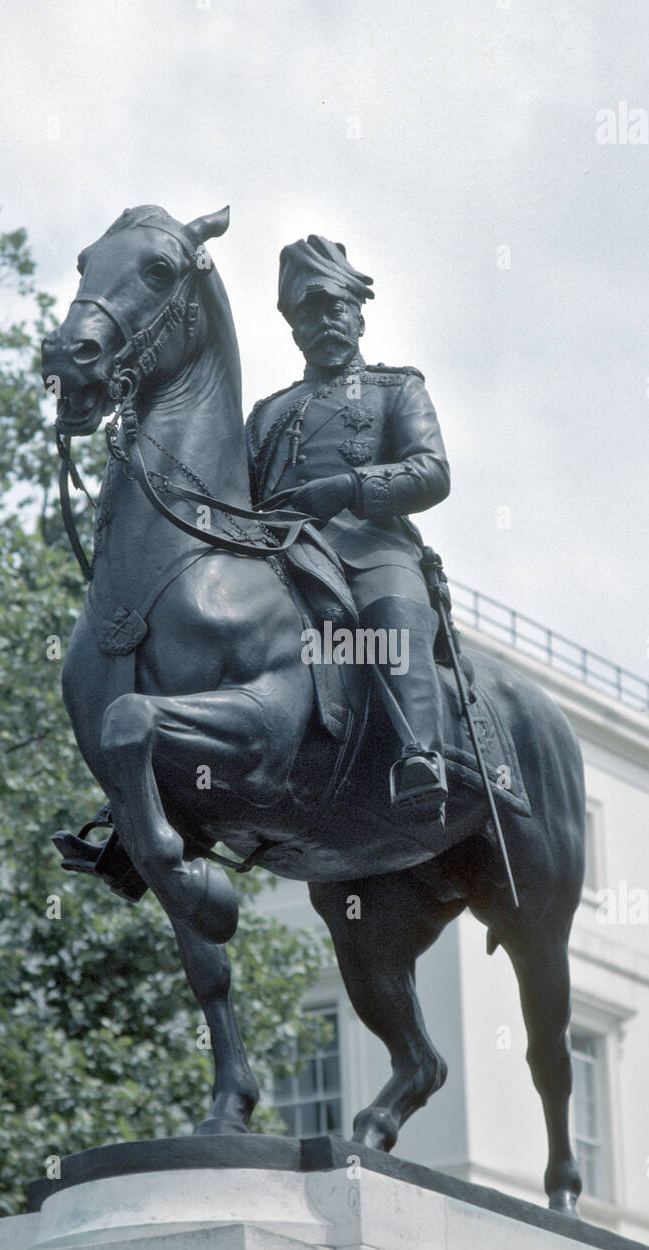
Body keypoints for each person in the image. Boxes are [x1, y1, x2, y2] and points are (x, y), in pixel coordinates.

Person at [246, 235, 451, 824]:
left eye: (333, 308)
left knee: (393, 612)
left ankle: (420, 755)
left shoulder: (398, 390)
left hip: (370, 549)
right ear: (292, 329)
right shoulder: (267, 412)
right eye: (306, 314)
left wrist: (347, 489)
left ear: (358, 315)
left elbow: (432, 473)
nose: (322, 323)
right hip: (278, 558)